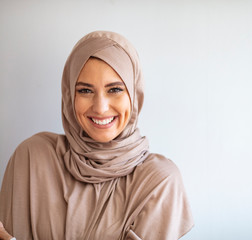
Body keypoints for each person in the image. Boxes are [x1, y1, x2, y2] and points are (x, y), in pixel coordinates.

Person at [0, 31, 194, 240]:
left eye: (115, 89)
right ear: (69, 95)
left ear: (134, 94)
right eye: (85, 90)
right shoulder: (33, 158)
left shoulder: (159, 181)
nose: (100, 108)